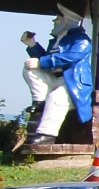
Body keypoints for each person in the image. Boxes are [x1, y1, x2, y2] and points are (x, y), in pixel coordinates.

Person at [21, 16, 94, 145]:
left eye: (59, 19)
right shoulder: (57, 40)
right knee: (29, 67)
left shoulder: (81, 40)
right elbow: (46, 60)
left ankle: (47, 135)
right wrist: (32, 45)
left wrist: (40, 62)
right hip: (54, 78)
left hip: (72, 83)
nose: (54, 22)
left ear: (69, 20)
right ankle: (40, 101)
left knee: (57, 98)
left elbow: (69, 57)